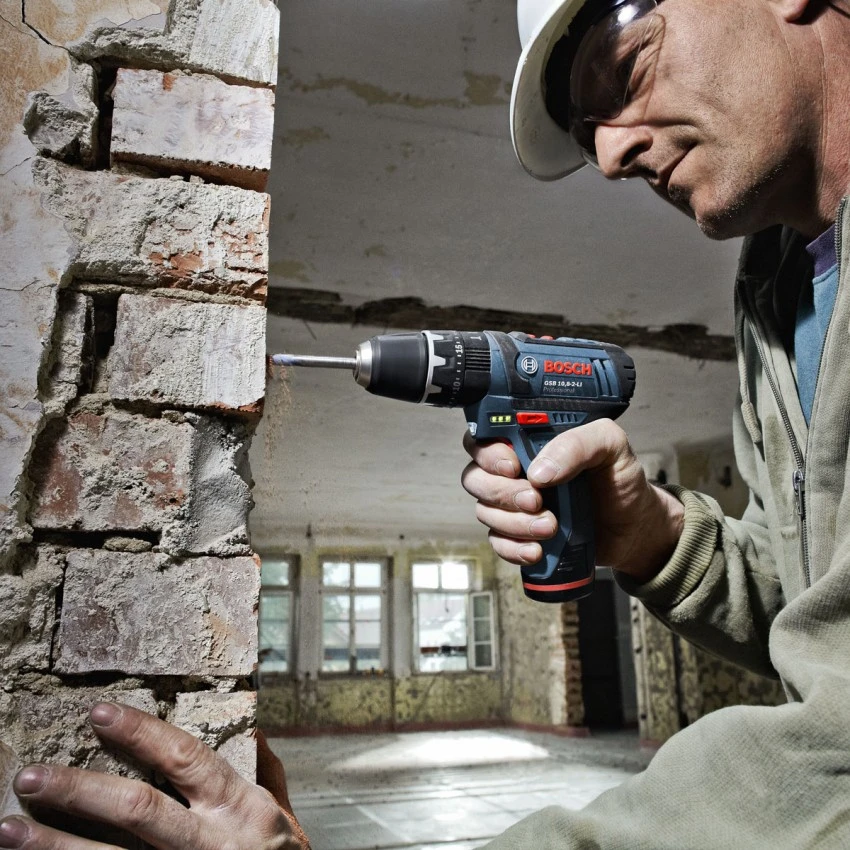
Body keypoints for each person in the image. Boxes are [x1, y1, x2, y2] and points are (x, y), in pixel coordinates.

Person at [4, 0, 850, 845]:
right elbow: (812, 611)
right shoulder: (775, 290)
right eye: (585, 128)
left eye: (621, 65)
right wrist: (655, 537)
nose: (607, 157)